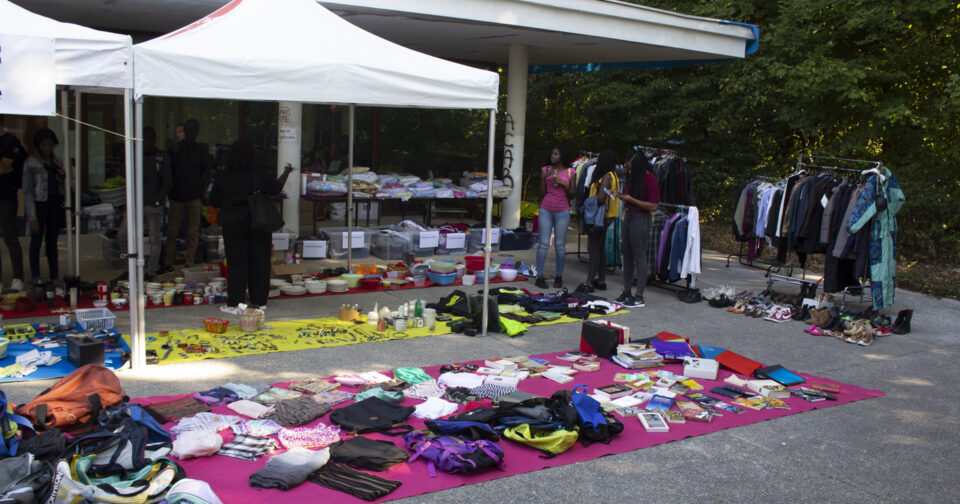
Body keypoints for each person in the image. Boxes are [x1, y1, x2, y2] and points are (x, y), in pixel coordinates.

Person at [209, 140, 293, 313]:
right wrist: (286, 172)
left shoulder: (223, 175)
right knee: (260, 262)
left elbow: (214, 201)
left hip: (232, 223)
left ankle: (235, 303)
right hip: (258, 222)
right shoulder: (259, 173)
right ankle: (259, 301)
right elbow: (275, 189)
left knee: (236, 263)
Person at [117, 127, 172, 279]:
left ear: (154, 140)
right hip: (135, 203)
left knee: (154, 239)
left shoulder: (160, 157)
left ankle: (151, 271)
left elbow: (167, 182)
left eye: (149, 139)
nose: (146, 143)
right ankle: (128, 268)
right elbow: (126, 176)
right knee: (122, 236)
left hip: (153, 204)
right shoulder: (134, 154)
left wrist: (158, 200)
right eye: (143, 139)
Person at [610, 149, 660, 308]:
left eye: (630, 168)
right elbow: (628, 196)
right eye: (627, 168)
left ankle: (639, 295)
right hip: (629, 217)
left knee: (639, 256)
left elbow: (653, 205)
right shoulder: (633, 178)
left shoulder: (650, 180)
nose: (628, 171)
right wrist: (619, 197)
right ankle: (626, 291)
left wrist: (631, 199)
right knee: (627, 255)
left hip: (641, 219)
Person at [162, 119, 211, 273]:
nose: (191, 133)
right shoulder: (174, 149)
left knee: (193, 232)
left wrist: (202, 192)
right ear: (185, 131)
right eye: (188, 130)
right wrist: (168, 191)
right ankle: (169, 262)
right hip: (176, 196)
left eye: (193, 130)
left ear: (197, 132)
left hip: (194, 196)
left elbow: (208, 173)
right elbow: (167, 172)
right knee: (172, 232)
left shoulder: (202, 150)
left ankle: (189, 262)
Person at [22, 128, 65, 281]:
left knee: (52, 241)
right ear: (38, 145)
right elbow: (27, 191)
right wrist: (32, 216)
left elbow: (61, 184)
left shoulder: (57, 160)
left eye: (51, 145)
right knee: (36, 241)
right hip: (39, 205)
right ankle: (36, 276)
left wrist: (62, 179)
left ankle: (54, 275)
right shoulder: (30, 163)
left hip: (54, 203)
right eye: (45, 145)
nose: (48, 148)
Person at [577, 150, 620, 294]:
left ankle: (589, 281)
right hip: (608, 216)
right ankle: (601, 280)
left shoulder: (606, 176)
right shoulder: (614, 176)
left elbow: (601, 198)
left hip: (599, 217)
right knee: (600, 249)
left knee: (593, 248)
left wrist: (588, 202)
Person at [534, 146, 575, 289]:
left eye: (556, 154)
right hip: (546, 209)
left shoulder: (571, 172)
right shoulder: (545, 170)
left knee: (560, 246)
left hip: (562, 211)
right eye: (552, 154)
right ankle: (539, 277)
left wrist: (564, 184)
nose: (553, 156)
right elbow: (541, 193)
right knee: (543, 243)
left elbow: (572, 195)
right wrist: (543, 178)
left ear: (562, 156)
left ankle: (559, 276)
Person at [0, 115, 27, 291]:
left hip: (6, 196)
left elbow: (3, 167)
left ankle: (18, 277)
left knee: (10, 237)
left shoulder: (10, 141)